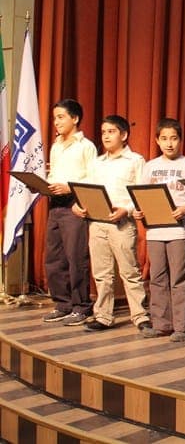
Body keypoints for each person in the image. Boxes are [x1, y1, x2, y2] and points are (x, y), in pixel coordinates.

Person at [73, 115, 153, 335]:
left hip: (122, 223)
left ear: (124, 135)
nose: (106, 136)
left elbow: (140, 193)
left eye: (111, 131)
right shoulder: (97, 162)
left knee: (130, 271)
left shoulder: (135, 160)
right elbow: (86, 189)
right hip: (96, 223)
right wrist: (78, 205)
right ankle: (103, 316)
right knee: (102, 273)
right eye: (103, 132)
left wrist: (126, 209)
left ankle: (140, 316)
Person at [132, 118, 185, 341]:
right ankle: (162, 323)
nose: (169, 143)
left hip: (180, 230)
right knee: (157, 277)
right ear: (157, 140)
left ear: (180, 140)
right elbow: (142, 195)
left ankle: (184, 326)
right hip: (155, 230)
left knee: (179, 278)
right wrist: (138, 211)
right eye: (164, 138)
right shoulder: (150, 166)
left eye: (173, 138)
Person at [42, 99, 97, 326]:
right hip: (55, 204)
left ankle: (81, 306)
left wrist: (70, 188)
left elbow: (93, 178)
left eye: (61, 117)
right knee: (54, 257)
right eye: (54, 118)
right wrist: (43, 185)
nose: (56, 122)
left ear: (75, 118)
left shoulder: (86, 146)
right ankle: (62, 304)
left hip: (75, 204)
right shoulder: (56, 145)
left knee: (76, 258)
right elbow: (54, 174)